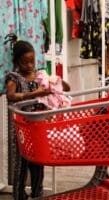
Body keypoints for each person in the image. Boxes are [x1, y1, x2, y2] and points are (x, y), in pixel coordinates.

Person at [5, 39, 70, 199]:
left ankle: (37, 193)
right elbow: (11, 96)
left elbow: (64, 88)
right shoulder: (14, 77)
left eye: (32, 61)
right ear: (17, 62)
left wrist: (57, 82)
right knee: (21, 164)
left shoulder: (41, 75)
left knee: (38, 163)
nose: (29, 65)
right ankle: (19, 195)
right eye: (24, 62)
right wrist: (35, 94)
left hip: (39, 126)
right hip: (21, 128)